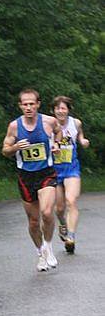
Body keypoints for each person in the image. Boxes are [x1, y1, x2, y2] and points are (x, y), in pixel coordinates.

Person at [2, 88, 62, 271]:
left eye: (32, 104)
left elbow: (58, 132)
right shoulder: (14, 126)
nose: (28, 107)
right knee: (34, 221)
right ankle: (40, 251)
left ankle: (49, 248)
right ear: (20, 106)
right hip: (25, 177)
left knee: (46, 212)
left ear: (38, 104)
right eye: (25, 104)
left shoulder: (49, 121)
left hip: (46, 173)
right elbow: (4, 150)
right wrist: (15, 148)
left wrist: (56, 143)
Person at [51, 95, 90, 254]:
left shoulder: (75, 123)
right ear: (53, 110)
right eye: (57, 108)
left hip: (71, 168)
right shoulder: (48, 124)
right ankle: (63, 225)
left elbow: (79, 135)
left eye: (63, 108)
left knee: (71, 200)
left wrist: (82, 141)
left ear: (68, 110)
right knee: (59, 209)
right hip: (53, 170)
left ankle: (71, 238)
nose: (60, 111)